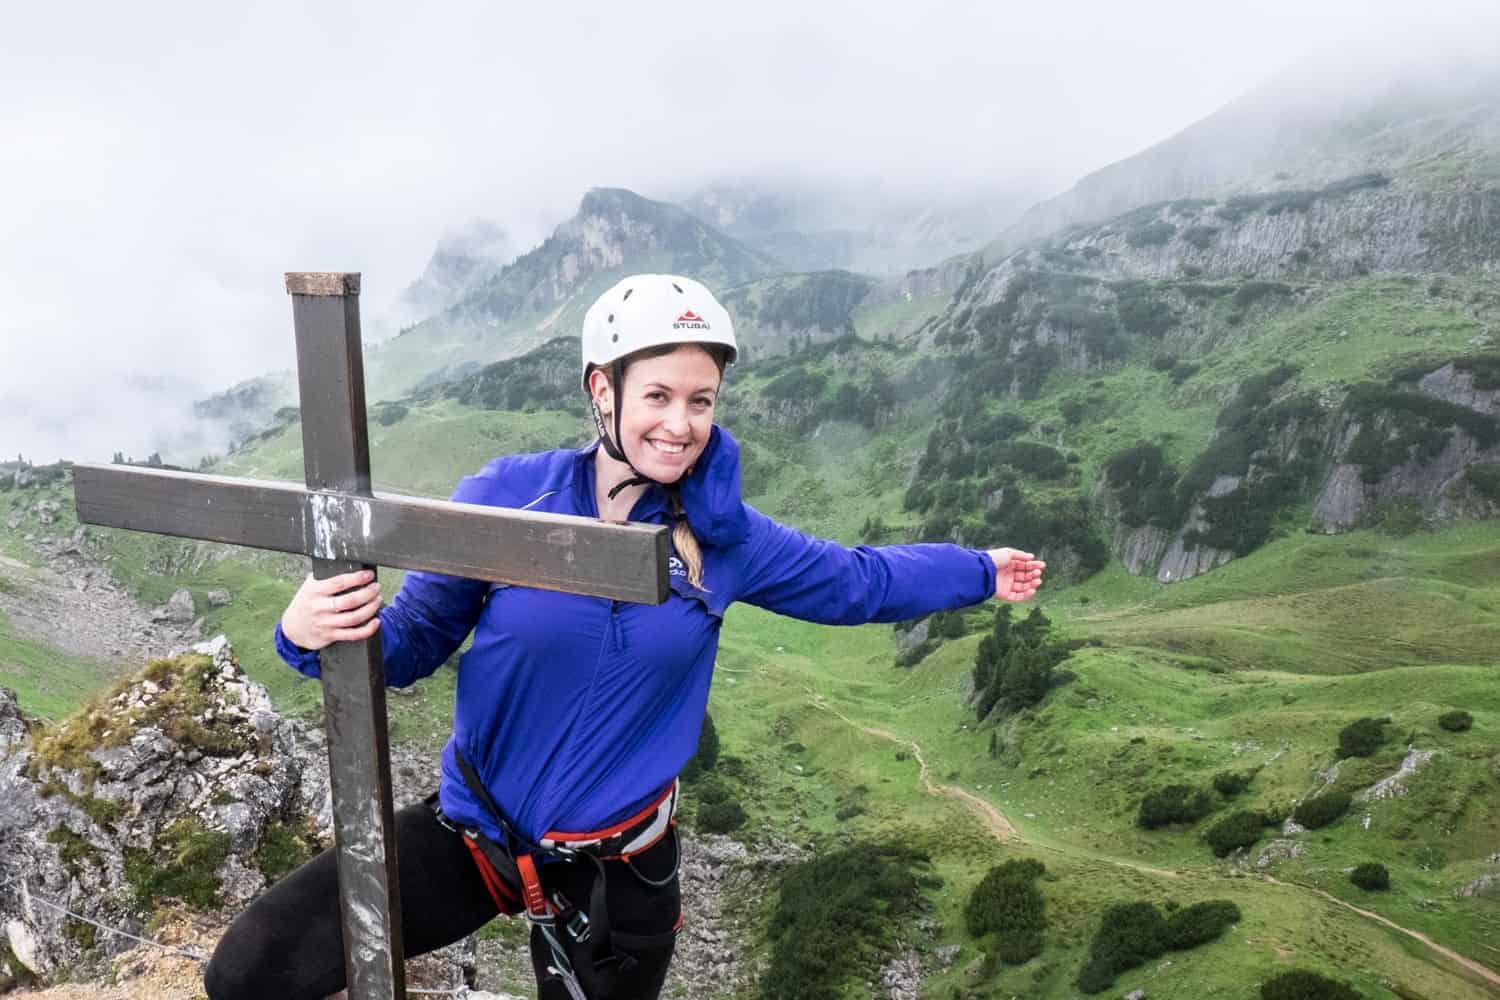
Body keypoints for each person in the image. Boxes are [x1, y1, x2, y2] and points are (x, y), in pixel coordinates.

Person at [203, 273, 1044, 1000]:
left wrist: (978, 569)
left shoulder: (729, 541)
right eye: (659, 396)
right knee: (250, 972)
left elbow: (861, 582)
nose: (681, 424)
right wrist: (308, 631)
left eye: (701, 401)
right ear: (602, 390)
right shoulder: (508, 498)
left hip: (621, 868)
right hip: (475, 834)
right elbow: (415, 643)